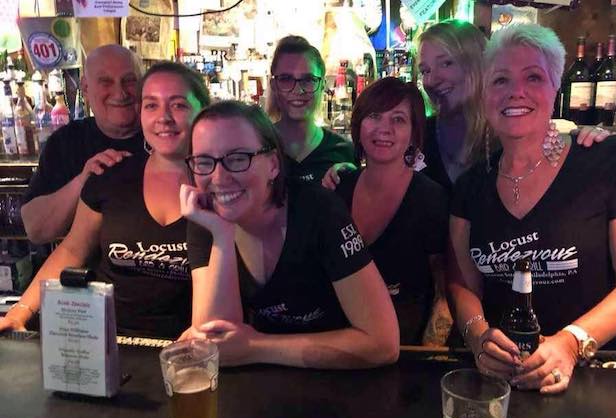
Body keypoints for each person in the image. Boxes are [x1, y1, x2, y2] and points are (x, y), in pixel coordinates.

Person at [448, 23, 616, 394]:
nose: (516, 92)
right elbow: (462, 284)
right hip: (504, 381)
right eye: (500, 80)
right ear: (485, 94)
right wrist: (479, 337)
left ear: (555, 87)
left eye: (533, 77)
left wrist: (571, 342)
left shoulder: (610, 161)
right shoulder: (471, 184)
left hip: (598, 380)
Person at [180, 100, 399, 368]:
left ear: (273, 164)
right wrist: (222, 236)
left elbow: (383, 344)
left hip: (337, 378)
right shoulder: (208, 218)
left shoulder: (319, 211)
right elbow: (215, 347)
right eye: (204, 161)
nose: (218, 177)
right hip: (262, 388)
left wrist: (255, 347)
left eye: (237, 158)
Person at [1, 62, 210, 338]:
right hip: (107, 342)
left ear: (203, 111)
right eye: (151, 105)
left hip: (191, 344)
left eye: (179, 105)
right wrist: (20, 311)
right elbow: (72, 251)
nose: (164, 117)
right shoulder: (111, 175)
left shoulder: (222, 185)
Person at [323, 77, 449, 345]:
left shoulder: (430, 199)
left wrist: (427, 355)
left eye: (398, 119)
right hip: (338, 341)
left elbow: (443, 294)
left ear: (414, 134)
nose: (384, 128)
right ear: (359, 126)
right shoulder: (339, 188)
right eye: (374, 115)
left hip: (404, 348)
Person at [416, 20, 612, 190]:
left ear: (479, 65)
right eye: (425, 71)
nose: (432, 80)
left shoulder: (511, 129)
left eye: (446, 63)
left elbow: (558, 154)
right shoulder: (417, 135)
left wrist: (589, 141)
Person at [21, 44, 144, 244]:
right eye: (106, 82)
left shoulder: (163, 138)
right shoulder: (67, 141)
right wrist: (83, 181)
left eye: (129, 81)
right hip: (85, 271)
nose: (120, 93)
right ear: (86, 89)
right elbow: (36, 230)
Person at [267, 35, 355, 184]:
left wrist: (353, 179)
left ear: (322, 85)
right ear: (274, 85)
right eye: (286, 79)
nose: (298, 90)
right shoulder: (257, 149)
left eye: (308, 80)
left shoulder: (342, 151)